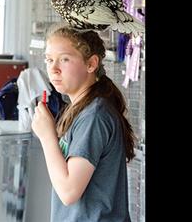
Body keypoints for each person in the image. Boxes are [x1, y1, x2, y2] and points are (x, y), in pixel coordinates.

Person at [32, 26, 137, 222]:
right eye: (49, 59)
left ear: (91, 64)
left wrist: (47, 137)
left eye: (64, 59)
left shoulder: (94, 116)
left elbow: (69, 191)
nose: (53, 68)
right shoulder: (80, 110)